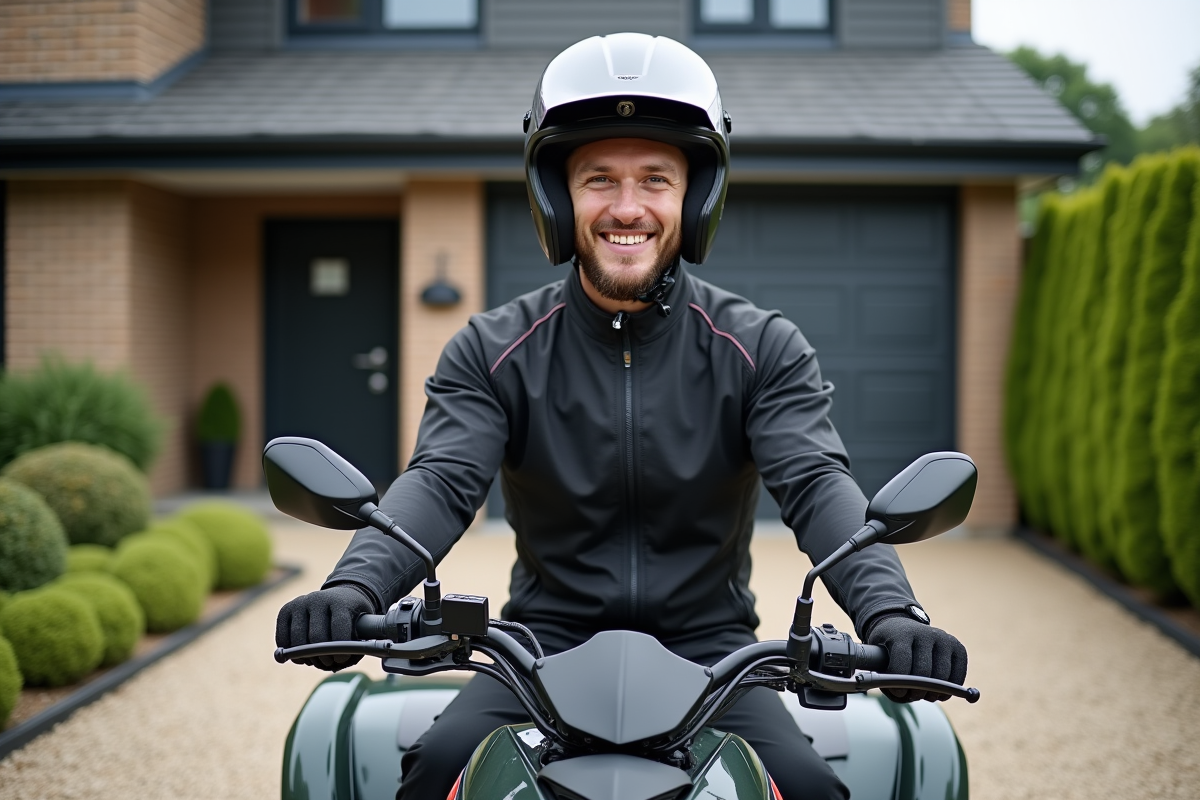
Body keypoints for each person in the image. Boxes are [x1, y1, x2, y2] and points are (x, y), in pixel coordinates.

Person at [276, 32, 968, 800]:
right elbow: (440, 483)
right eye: (599, 178)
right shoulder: (492, 349)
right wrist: (355, 590)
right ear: (557, 197)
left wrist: (891, 613)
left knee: (809, 787)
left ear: (695, 198)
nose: (627, 207)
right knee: (436, 773)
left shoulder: (763, 347)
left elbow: (815, 484)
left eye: (656, 179)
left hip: (713, 655)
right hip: (539, 651)